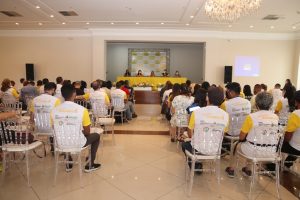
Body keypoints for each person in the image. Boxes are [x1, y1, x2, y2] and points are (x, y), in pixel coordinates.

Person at [225, 92, 278, 177]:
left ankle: (231, 169)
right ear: (271, 104)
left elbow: (241, 137)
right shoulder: (275, 117)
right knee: (251, 143)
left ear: (256, 103)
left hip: (253, 151)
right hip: (271, 152)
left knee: (237, 145)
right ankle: (247, 169)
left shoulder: (251, 117)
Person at [51, 84, 101, 172]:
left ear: (62, 95)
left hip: (60, 143)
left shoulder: (54, 110)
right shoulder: (82, 110)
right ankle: (90, 164)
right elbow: (87, 132)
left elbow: (54, 129)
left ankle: (68, 162)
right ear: (74, 94)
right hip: (77, 142)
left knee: (65, 136)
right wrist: (77, 132)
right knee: (96, 136)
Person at [181, 86, 228, 172]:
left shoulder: (196, 112)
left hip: (197, 149)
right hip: (215, 150)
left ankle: (196, 165)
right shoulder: (225, 115)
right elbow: (222, 134)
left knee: (184, 144)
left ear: (207, 97)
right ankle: (198, 164)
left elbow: (191, 135)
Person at [221, 82, 251, 177]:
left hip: (230, 133)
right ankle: (247, 168)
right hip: (244, 133)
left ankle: (231, 167)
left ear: (231, 92)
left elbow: (222, 120)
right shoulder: (248, 103)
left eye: (227, 91)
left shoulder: (225, 104)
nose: (226, 93)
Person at [30, 82, 60, 153]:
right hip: (51, 128)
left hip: (38, 128)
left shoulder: (35, 99)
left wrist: (33, 125)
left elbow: (32, 116)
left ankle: (52, 146)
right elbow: (58, 117)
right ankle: (57, 146)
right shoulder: (55, 100)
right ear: (53, 89)